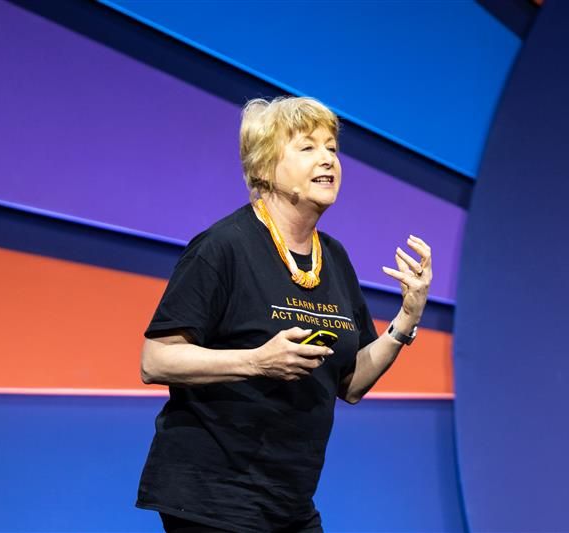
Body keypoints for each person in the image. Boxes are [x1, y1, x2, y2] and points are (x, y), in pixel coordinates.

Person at [136, 96, 432, 533]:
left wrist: (407, 318)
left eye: (331, 147)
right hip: (213, 498)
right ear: (265, 167)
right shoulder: (224, 247)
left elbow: (351, 383)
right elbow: (155, 360)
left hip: (290, 502)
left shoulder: (333, 257)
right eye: (308, 147)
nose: (328, 159)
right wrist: (256, 361)